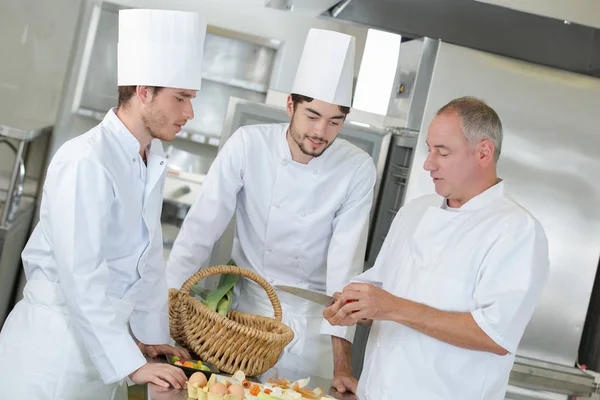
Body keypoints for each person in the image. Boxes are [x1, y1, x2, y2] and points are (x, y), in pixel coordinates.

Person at [0, 9, 207, 400]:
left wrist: (148, 341)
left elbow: (145, 265)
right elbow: (82, 274)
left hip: (103, 356)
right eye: (181, 99)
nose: (189, 113)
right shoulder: (86, 159)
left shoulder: (150, 158)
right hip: (52, 356)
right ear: (144, 91)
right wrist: (131, 362)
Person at [166, 28, 376, 392]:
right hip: (241, 328)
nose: (321, 132)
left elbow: (345, 271)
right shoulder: (249, 144)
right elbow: (200, 230)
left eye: (335, 122)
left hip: (313, 330)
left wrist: (343, 365)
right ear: (291, 105)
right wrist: (164, 316)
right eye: (312, 116)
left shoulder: (357, 167)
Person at [324, 97, 550, 399]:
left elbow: (494, 334)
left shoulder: (517, 230)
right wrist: (353, 306)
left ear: (484, 152)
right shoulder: (414, 211)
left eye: (442, 152)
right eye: (429, 149)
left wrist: (391, 307)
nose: (428, 164)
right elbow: (381, 286)